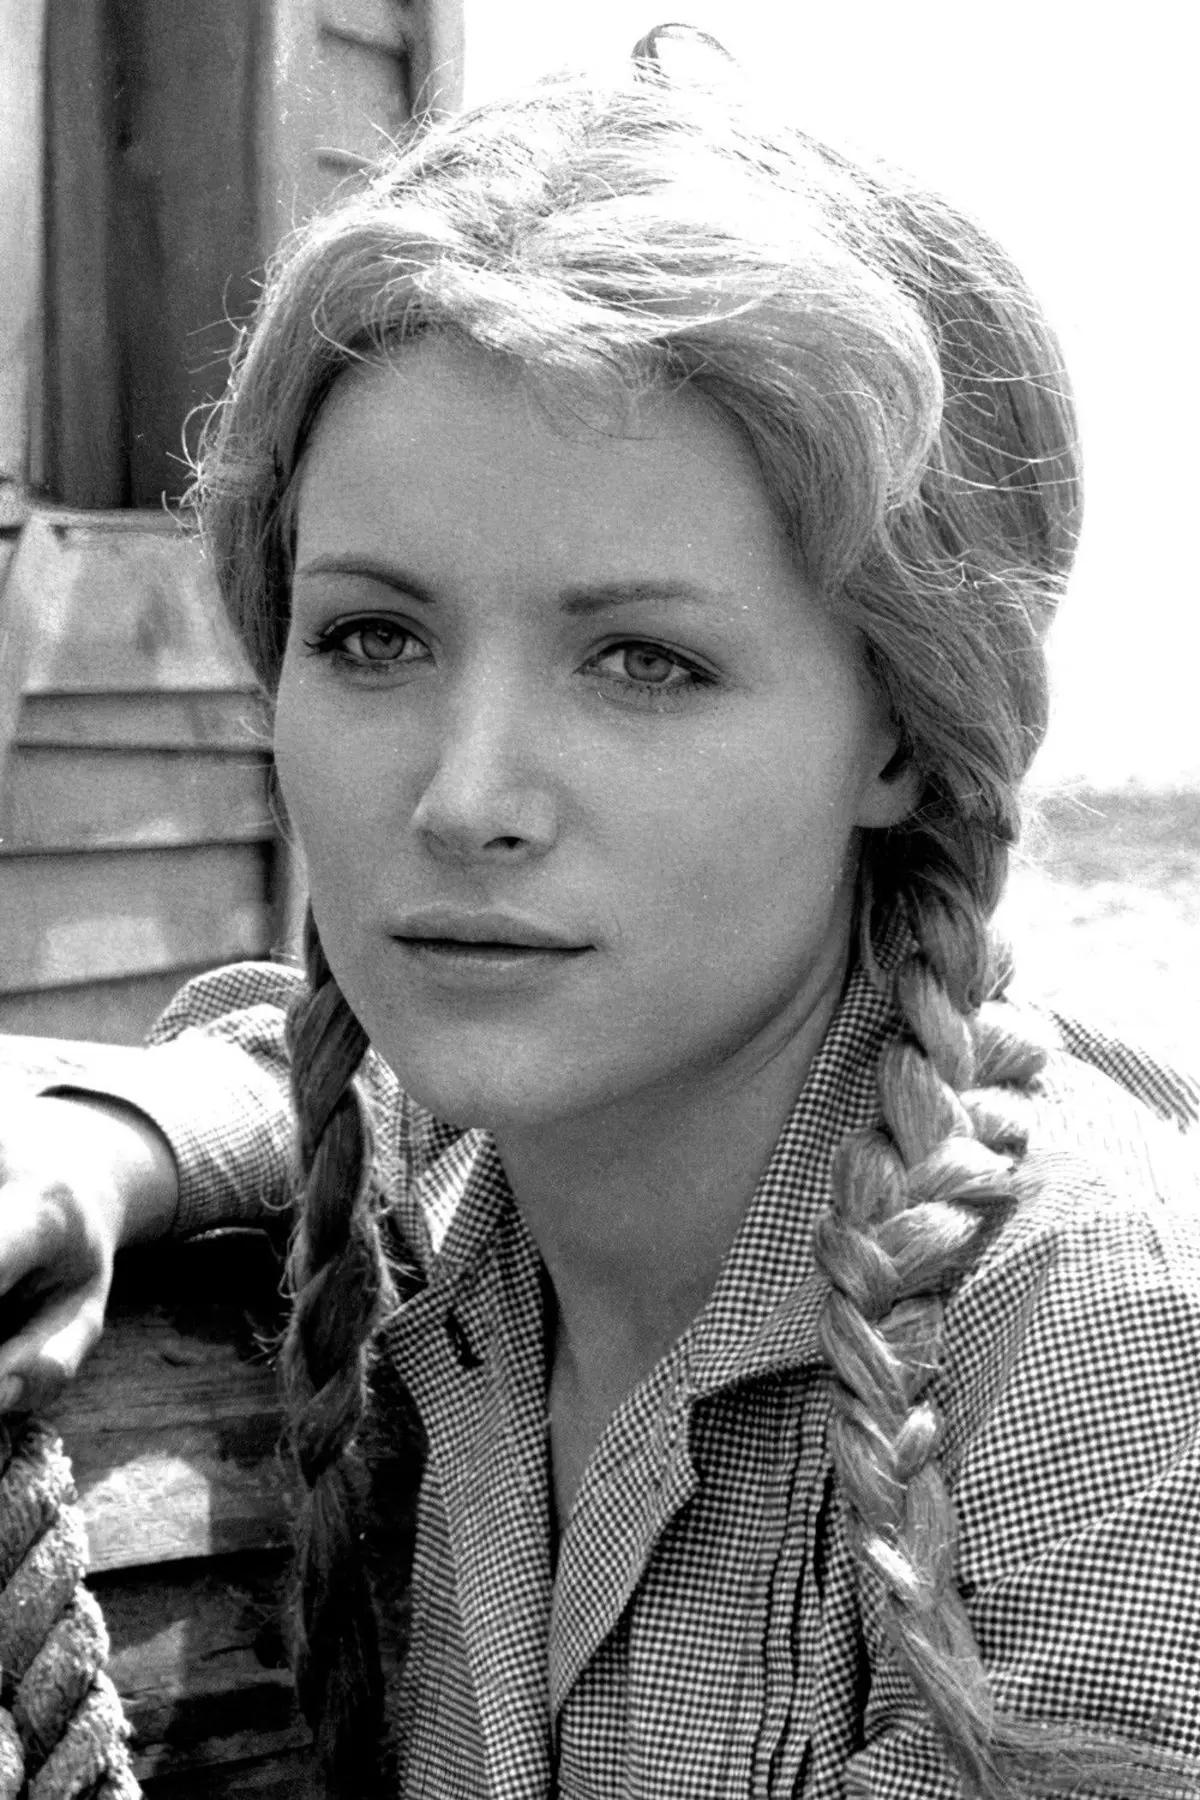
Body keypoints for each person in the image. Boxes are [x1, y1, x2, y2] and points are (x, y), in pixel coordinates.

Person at [1, 26, 1199, 1799]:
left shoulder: (1095, 1357)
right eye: (373, 638)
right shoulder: (516, 1179)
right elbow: (325, 1073)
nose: (463, 797)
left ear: (899, 729)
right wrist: (108, 1142)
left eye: (644, 661)